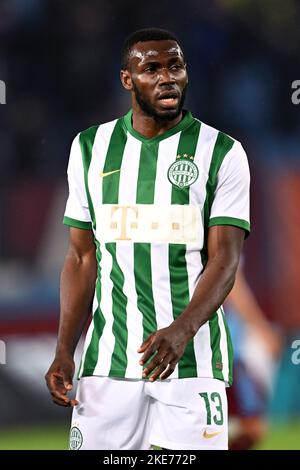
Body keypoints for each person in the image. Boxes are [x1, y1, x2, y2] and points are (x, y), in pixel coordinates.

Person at [45, 27, 251, 450]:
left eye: (175, 66)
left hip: (193, 363)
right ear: (127, 80)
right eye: (151, 69)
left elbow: (225, 261)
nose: (166, 77)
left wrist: (183, 329)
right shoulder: (89, 148)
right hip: (107, 362)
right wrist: (65, 347)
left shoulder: (223, 152)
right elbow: (82, 259)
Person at [225, 264, 282, 450]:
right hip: (225, 344)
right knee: (253, 427)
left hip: (225, 339)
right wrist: (261, 328)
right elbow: (233, 284)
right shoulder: (224, 235)